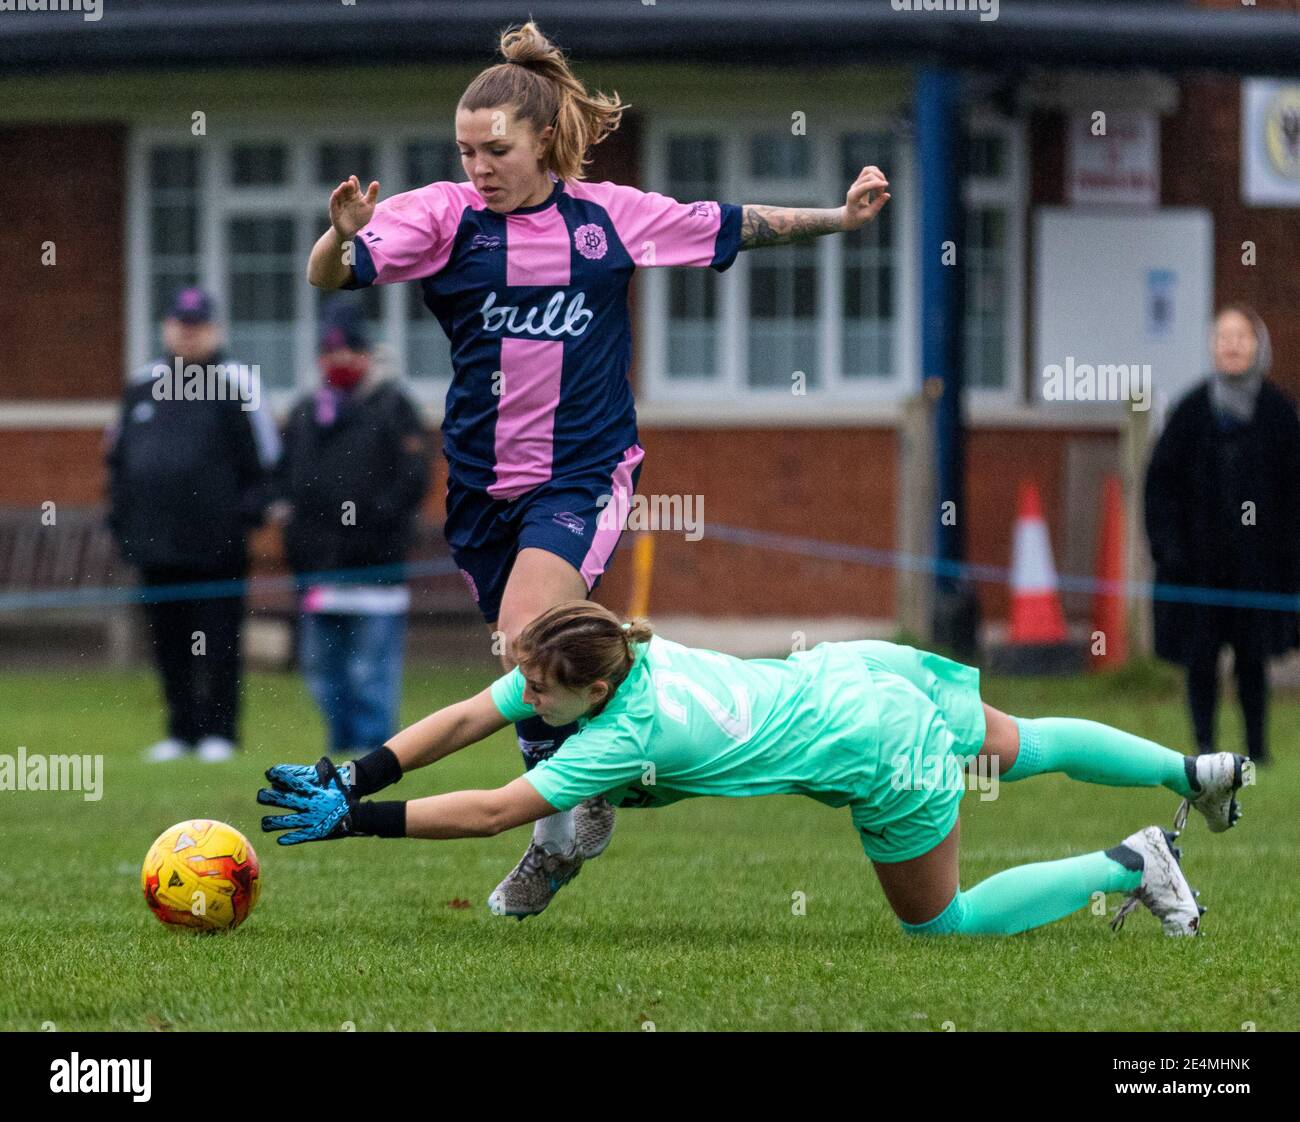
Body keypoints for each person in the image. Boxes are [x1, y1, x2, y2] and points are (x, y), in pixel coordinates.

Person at [305, 20, 892, 917]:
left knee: (528, 634)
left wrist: (839, 217)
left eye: (495, 149)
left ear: (543, 140)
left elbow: (730, 225)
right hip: (481, 485)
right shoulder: (441, 216)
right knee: (522, 658)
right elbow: (329, 278)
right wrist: (340, 235)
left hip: (583, 473)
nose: (478, 166)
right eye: (465, 150)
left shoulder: (605, 218)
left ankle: (552, 833)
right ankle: (579, 800)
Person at [258, 602, 1251, 936]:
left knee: (942, 927)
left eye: (537, 685)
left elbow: (487, 809)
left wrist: (357, 824)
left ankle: (1130, 864)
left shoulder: (619, 732)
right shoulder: (607, 653)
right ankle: (1190, 767)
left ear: (588, 692)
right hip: (864, 668)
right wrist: (360, 772)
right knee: (1026, 743)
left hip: (876, 749)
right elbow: (475, 713)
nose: (520, 694)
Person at [106, 287, 279, 762]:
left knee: (219, 641)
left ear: (214, 330)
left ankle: (219, 731)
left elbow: (264, 462)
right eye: (180, 324)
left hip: (216, 548)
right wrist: (124, 526)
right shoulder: (142, 385)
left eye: (197, 325)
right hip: (156, 546)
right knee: (168, 643)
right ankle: (181, 730)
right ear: (167, 327)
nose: (187, 333)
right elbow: (119, 462)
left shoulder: (237, 383)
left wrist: (242, 519)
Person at [272, 297, 430, 757]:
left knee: (371, 668)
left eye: (348, 351)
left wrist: (373, 522)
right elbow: (287, 479)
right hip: (317, 567)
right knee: (322, 665)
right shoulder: (305, 411)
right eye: (329, 352)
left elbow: (412, 480)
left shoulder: (395, 407)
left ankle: (372, 751)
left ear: (365, 353)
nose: (338, 361)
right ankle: (340, 746)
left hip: (375, 566)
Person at [1144, 303, 1300, 765]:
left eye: (1242, 337)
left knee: (1254, 660)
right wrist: (1169, 548)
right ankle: (1205, 750)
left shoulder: (1279, 413)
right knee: (1201, 660)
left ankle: (1257, 751)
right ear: (1212, 347)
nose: (1232, 346)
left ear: (1259, 346)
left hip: (1258, 569)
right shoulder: (1190, 412)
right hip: (1199, 568)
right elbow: (1161, 485)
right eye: (1224, 337)